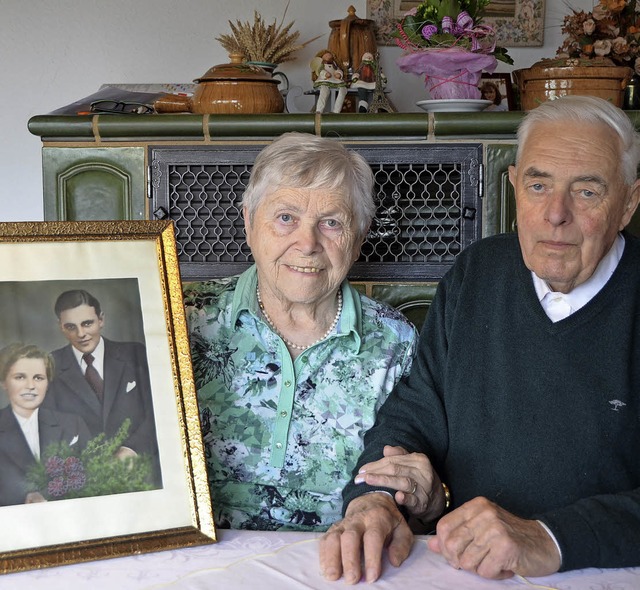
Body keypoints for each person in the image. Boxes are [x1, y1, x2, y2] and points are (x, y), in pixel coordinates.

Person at [319, 95, 640, 583]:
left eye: (587, 192)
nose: (556, 214)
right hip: (469, 570)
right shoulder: (479, 271)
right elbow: (414, 413)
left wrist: (549, 536)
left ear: (628, 203)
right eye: (538, 185)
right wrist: (379, 498)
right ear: (513, 187)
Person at [183, 132, 418, 531]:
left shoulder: (397, 343)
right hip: (196, 556)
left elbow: (403, 485)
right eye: (286, 218)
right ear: (248, 222)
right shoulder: (184, 317)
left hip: (336, 560)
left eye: (331, 223)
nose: (307, 243)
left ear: (358, 239)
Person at [43, 289, 160, 483]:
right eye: (71, 326)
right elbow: (47, 430)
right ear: (61, 327)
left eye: (87, 323)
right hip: (86, 483)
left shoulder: (136, 354)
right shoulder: (48, 366)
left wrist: (133, 448)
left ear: (101, 320)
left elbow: (161, 410)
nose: (81, 334)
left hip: (145, 472)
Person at [0, 343, 90, 506]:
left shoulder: (73, 424)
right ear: (4, 382)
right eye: (20, 377)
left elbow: (92, 477)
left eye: (38, 378)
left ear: (48, 383)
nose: (31, 386)